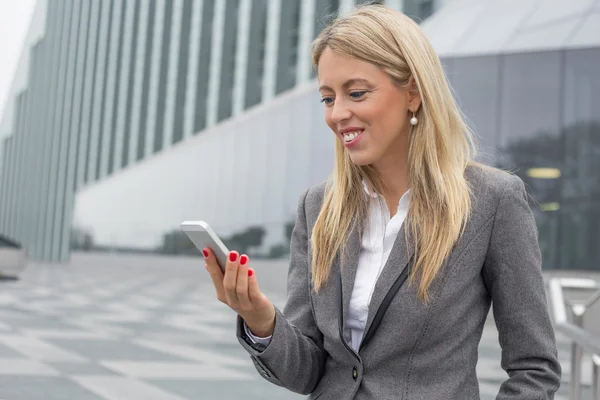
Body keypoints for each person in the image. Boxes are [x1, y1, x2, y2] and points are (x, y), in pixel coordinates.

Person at [203, 4, 561, 399]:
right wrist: (260, 318)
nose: (338, 113)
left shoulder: (491, 202)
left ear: (412, 93)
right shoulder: (319, 207)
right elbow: (307, 373)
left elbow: (534, 369)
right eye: (327, 98)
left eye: (356, 93)